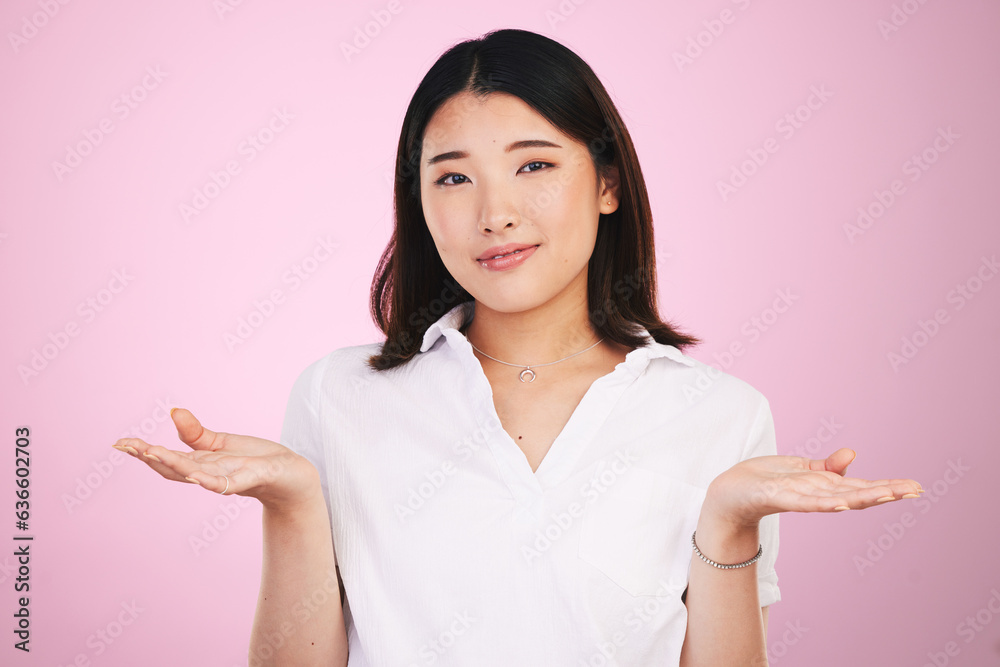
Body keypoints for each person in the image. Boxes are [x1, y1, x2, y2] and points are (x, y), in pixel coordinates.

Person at [113, 28, 924, 666]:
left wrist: (730, 523)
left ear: (607, 183)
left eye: (534, 164)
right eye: (453, 177)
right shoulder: (339, 394)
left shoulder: (721, 414)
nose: (493, 213)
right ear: (419, 202)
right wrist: (291, 501)